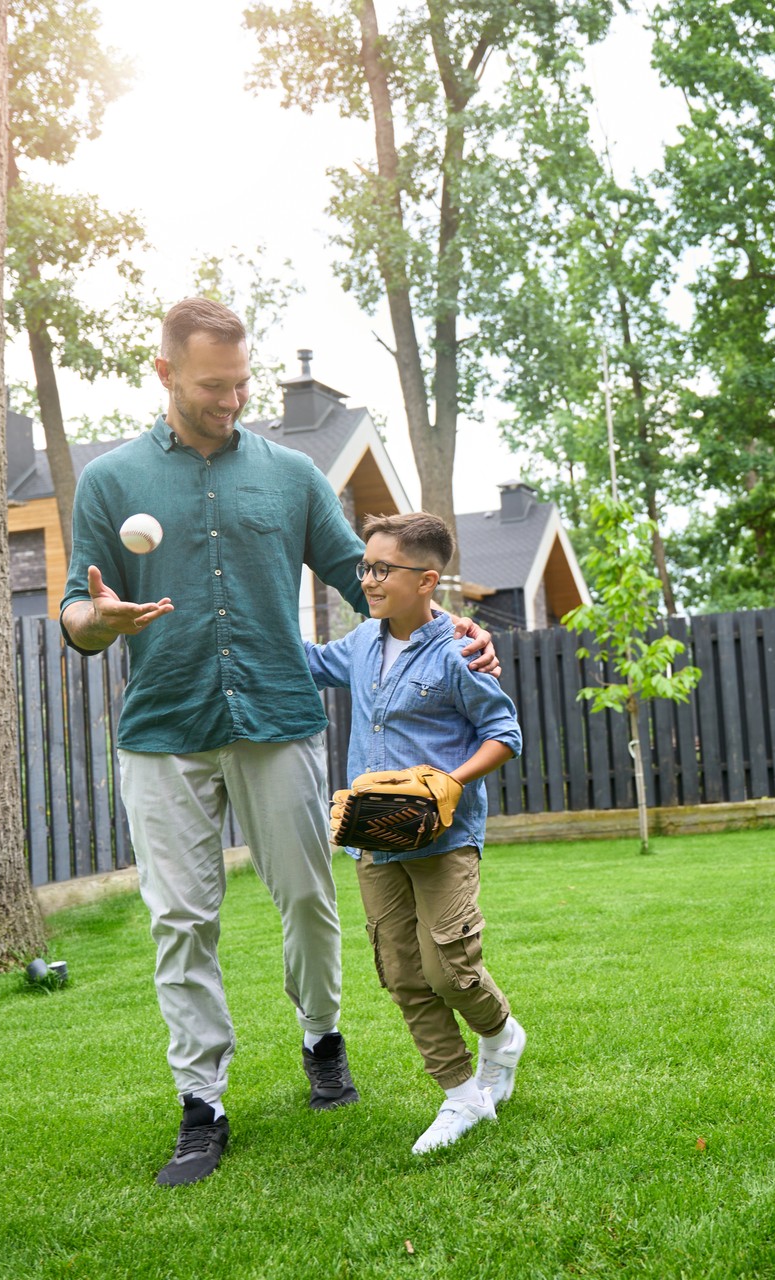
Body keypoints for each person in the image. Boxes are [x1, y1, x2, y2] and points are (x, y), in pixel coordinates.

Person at [58, 297, 499, 1188]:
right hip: (164, 731)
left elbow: (362, 575)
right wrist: (98, 621)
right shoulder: (111, 483)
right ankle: (202, 1102)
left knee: (306, 900)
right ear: (165, 373)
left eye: (241, 382)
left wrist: (449, 626)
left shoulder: (292, 476)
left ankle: (321, 1040)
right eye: (211, 385)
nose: (230, 399)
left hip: (278, 716)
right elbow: (75, 610)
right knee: (181, 919)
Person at [306, 512, 527, 1156]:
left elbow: (504, 735)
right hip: (372, 837)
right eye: (365, 568)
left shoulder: (460, 651)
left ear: (426, 580)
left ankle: (502, 1034)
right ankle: (460, 1095)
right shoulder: (358, 646)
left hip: (442, 840)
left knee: (449, 970)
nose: (368, 580)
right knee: (402, 973)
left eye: (382, 569)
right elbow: (308, 663)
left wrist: (453, 782)